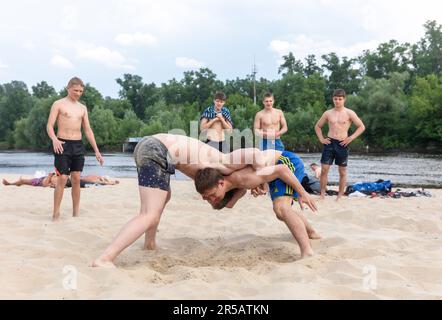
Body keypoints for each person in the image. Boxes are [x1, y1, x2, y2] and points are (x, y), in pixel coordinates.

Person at [92, 134, 317, 267]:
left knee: (162, 198)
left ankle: (149, 244)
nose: (209, 200)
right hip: (157, 149)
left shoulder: (217, 176)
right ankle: (105, 258)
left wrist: (256, 182)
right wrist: (262, 175)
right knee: (149, 213)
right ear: (222, 184)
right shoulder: (225, 165)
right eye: (211, 198)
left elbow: (228, 201)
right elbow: (255, 153)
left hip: (149, 145)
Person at [194, 150, 321, 258]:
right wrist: (260, 184)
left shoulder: (244, 179)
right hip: (272, 169)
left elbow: (282, 169)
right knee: (281, 213)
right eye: (207, 198)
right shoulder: (227, 181)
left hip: (286, 161)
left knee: (281, 208)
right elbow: (230, 202)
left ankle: (307, 251)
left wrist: (303, 192)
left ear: (221, 183)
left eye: (212, 195)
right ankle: (311, 233)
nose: (211, 199)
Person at [46, 77, 104, 221]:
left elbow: (88, 130)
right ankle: (56, 213)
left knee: (76, 178)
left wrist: (96, 150)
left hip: (78, 145)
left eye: (80, 91)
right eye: (75, 90)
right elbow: (49, 125)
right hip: (62, 144)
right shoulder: (58, 104)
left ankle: (76, 213)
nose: (78, 93)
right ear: (68, 88)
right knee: (63, 178)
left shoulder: (82, 108)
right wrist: (54, 139)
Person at [314, 89, 365, 200]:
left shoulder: (349, 113)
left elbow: (361, 126)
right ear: (333, 99)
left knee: (342, 172)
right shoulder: (328, 113)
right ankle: (322, 195)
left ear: (344, 99)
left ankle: (339, 196)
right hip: (330, 142)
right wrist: (321, 139)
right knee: (324, 170)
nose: (337, 101)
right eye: (335, 99)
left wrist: (351, 138)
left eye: (340, 99)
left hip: (342, 143)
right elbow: (317, 126)